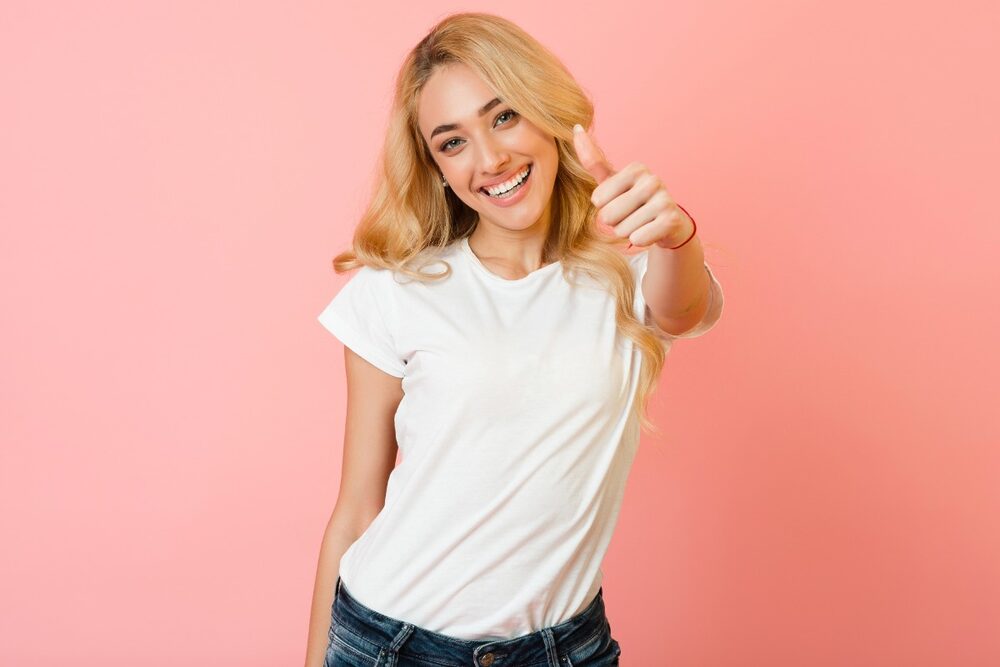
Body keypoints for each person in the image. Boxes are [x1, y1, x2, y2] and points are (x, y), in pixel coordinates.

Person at [304, 12, 724, 667]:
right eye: (453, 142)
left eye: (503, 117)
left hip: (564, 649)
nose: (490, 159)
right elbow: (357, 509)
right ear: (436, 167)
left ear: (544, 110)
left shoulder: (631, 276)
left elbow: (684, 307)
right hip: (390, 642)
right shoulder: (394, 291)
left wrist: (677, 234)